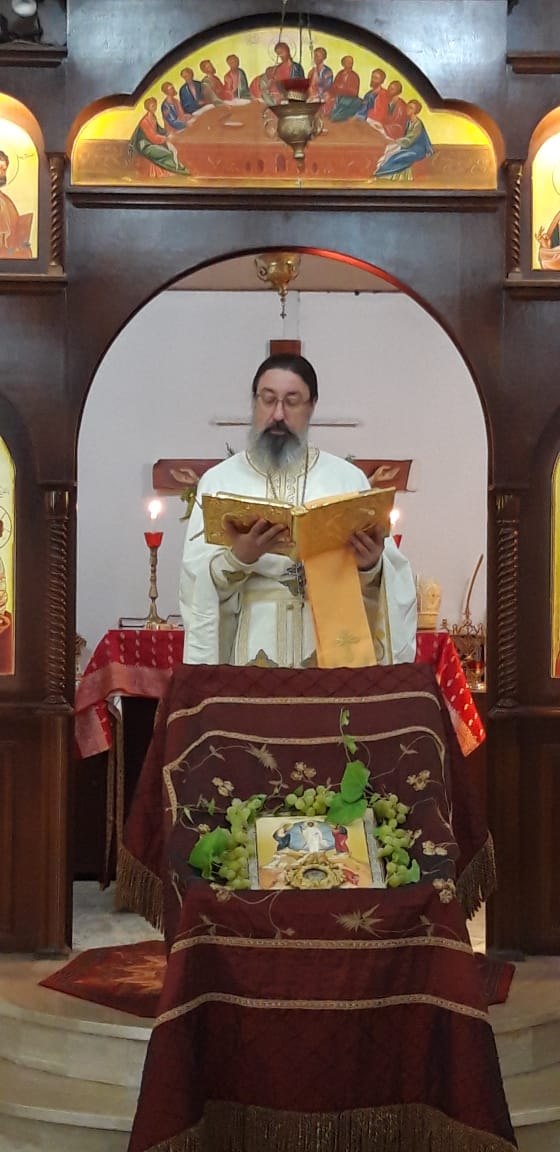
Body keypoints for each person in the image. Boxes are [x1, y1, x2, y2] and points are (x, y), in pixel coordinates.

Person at [180, 353, 417, 668]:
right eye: (268, 400)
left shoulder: (346, 480)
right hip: (250, 656)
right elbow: (195, 583)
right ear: (254, 402)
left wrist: (371, 564)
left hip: (328, 656)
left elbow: (389, 580)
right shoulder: (220, 482)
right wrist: (239, 559)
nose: (278, 414)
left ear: (312, 406)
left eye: (292, 402)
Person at [374, 100, 433, 180]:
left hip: (417, 150)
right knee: (390, 152)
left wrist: (395, 141)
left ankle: (380, 174)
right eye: (408, 107)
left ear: (415, 111)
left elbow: (410, 139)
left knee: (396, 157)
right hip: (409, 147)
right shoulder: (409, 122)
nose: (407, 109)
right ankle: (382, 174)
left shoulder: (417, 124)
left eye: (411, 108)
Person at [128, 99, 188, 176]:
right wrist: (166, 138)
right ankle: (178, 169)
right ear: (147, 107)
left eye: (155, 105)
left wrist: (169, 133)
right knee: (167, 153)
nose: (155, 108)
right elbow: (153, 137)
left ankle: (179, 168)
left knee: (173, 149)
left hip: (152, 143)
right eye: (152, 106)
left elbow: (159, 130)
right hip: (145, 146)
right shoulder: (145, 121)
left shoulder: (153, 117)